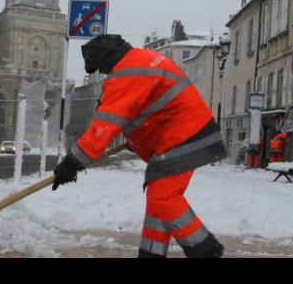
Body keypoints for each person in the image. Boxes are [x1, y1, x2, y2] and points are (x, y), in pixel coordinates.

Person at [52, 34, 227, 258]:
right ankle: (151, 254)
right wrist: (137, 140)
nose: (104, 74)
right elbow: (151, 109)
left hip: (183, 136)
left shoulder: (127, 73)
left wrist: (72, 162)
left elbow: (105, 125)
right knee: (158, 198)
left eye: (101, 68)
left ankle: (205, 249)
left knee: (163, 196)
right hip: (186, 132)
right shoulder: (142, 60)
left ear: (106, 60)